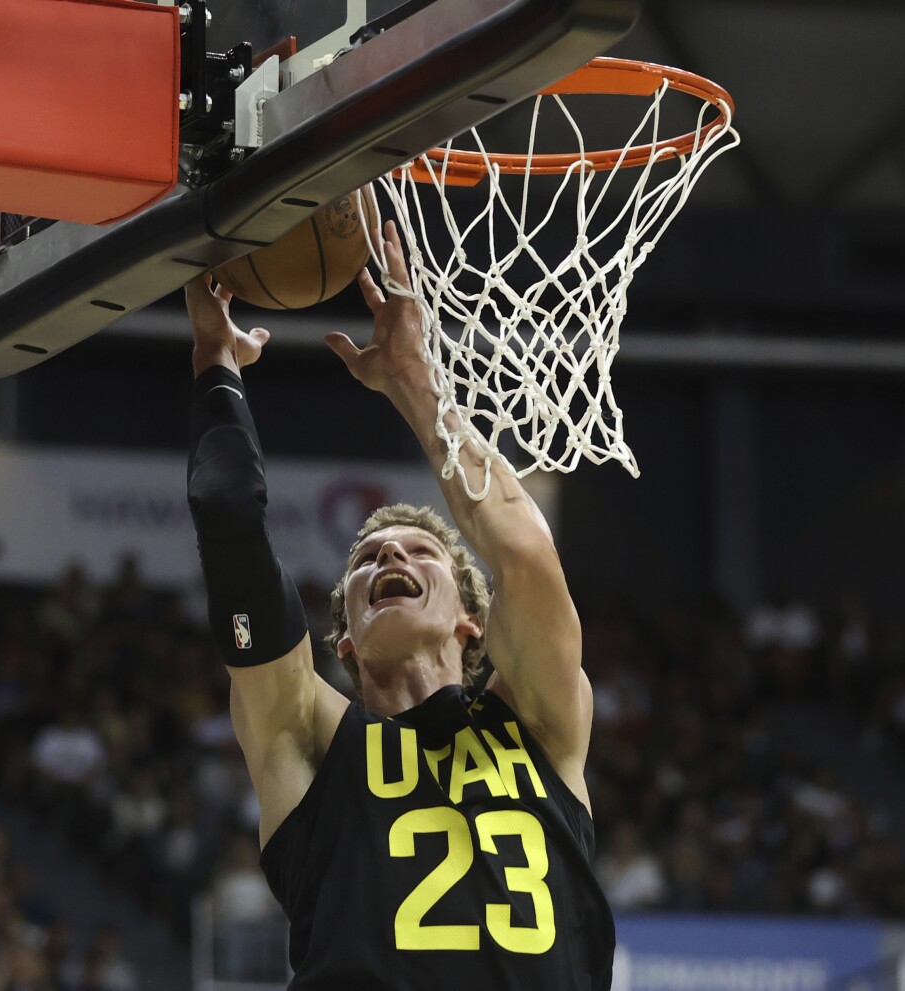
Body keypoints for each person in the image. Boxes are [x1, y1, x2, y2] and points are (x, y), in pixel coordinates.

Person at [183, 220, 614, 989]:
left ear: (469, 619)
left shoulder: (542, 719)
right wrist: (215, 361)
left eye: (423, 553)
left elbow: (525, 555)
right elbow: (229, 522)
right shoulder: (308, 738)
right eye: (366, 561)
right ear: (342, 637)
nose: (389, 555)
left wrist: (416, 382)